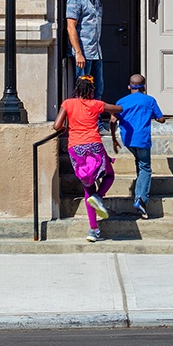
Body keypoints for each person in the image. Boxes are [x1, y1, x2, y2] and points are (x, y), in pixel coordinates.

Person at [53, 73, 122, 242]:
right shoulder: (96, 104)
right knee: (109, 175)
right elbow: (118, 109)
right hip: (94, 145)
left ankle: (93, 230)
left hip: (75, 148)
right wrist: (117, 109)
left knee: (88, 187)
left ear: (77, 89)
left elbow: (56, 125)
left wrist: (65, 130)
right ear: (91, 90)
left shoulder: (68, 103)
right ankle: (99, 197)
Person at [115, 73, 165, 218]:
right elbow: (160, 119)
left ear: (129, 86)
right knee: (145, 167)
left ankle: (139, 191)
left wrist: (113, 137)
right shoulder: (149, 100)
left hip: (128, 140)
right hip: (143, 139)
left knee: (139, 162)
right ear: (144, 87)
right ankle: (141, 199)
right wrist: (159, 118)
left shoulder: (121, 101)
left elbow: (113, 119)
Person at [65, 0, 105, 98]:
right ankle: (81, 119)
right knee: (83, 90)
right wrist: (78, 53)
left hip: (96, 52)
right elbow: (71, 26)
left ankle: (97, 119)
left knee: (98, 89)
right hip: (83, 54)